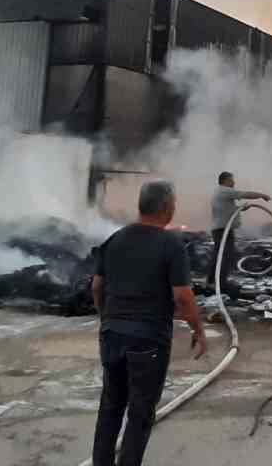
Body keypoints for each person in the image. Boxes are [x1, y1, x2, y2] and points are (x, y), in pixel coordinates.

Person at [90, 180, 208, 466]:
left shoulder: (115, 239)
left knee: (110, 408)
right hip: (148, 340)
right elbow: (182, 296)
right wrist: (198, 330)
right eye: (175, 204)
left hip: (111, 336)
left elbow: (96, 286)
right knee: (140, 414)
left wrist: (107, 318)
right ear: (167, 206)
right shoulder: (171, 244)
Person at [209, 171, 271, 293]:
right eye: (232, 179)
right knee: (225, 256)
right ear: (225, 180)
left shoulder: (220, 192)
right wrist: (261, 195)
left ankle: (211, 281)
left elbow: (226, 210)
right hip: (222, 230)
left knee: (219, 256)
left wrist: (241, 208)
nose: (234, 182)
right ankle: (221, 284)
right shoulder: (224, 190)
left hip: (221, 229)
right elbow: (244, 194)